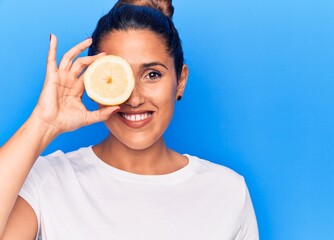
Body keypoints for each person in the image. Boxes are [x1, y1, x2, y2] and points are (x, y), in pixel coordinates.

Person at [0, 0, 259, 239]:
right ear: (95, 81)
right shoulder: (47, 180)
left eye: (153, 75)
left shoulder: (227, 192)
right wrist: (43, 124)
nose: (134, 99)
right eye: (116, 75)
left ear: (180, 81)